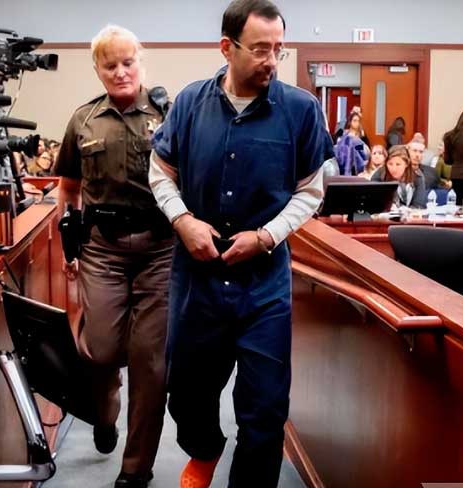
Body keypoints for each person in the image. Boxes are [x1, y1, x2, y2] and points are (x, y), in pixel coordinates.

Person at [148, 1, 333, 485]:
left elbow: (310, 191)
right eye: (260, 50)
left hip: (263, 285)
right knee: (186, 394)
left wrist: (268, 235)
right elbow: (161, 172)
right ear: (227, 48)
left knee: (265, 409)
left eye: (278, 49)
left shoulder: (301, 109)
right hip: (198, 280)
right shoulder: (190, 102)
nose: (272, 61)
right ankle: (205, 449)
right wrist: (182, 220)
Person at [53, 24, 172, 488]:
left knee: (151, 363)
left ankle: (136, 467)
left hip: (161, 249)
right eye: (110, 65)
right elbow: (68, 188)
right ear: (98, 70)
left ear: (141, 62)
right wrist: (69, 245)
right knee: (100, 350)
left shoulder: (169, 115)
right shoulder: (83, 119)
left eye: (128, 62)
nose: (121, 72)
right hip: (102, 248)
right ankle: (105, 413)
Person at [371, 144, 426, 208]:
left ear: (406, 164)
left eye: (398, 164)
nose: (394, 169)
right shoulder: (379, 176)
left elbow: (419, 204)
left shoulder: (417, 177)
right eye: (390, 164)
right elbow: (374, 202)